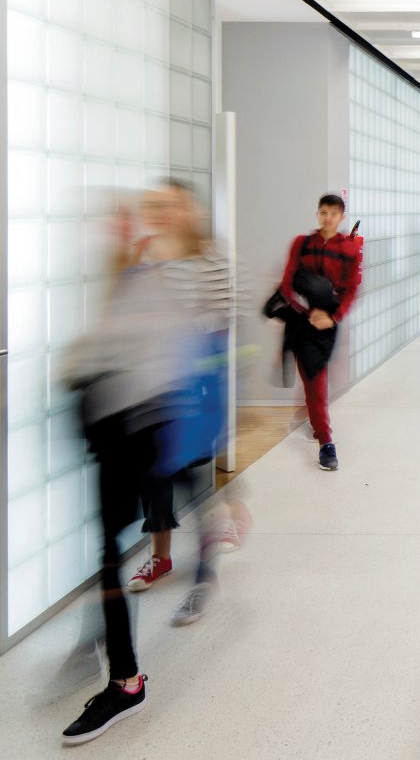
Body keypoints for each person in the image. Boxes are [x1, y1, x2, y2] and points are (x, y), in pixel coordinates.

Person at [56, 180, 234, 743]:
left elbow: (214, 358)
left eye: (166, 205)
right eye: (149, 206)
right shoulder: (139, 268)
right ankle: (115, 664)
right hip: (122, 428)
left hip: (162, 428)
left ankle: (197, 576)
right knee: (111, 543)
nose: (154, 214)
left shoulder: (201, 274)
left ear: (188, 212)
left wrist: (205, 442)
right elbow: (111, 338)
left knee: (156, 519)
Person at [276, 193, 364, 471]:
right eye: (323, 212)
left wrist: (334, 317)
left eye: (334, 214)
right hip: (302, 322)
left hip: (328, 326)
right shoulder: (301, 244)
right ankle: (326, 442)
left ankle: (314, 420)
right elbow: (287, 283)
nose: (328, 218)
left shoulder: (349, 249)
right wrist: (306, 312)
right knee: (315, 384)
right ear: (317, 214)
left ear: (342, 217)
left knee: (317, 383)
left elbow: (351, 290)